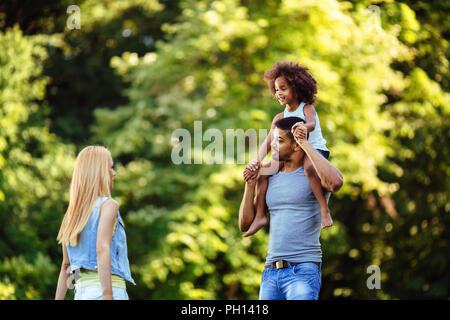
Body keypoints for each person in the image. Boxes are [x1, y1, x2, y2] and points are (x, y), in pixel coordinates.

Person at [239, 117, 343, 300]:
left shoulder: (313, 174)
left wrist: (305, 143)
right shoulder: (270, 176)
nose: (273, 147)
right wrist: (249, 186)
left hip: (302, 270)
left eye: (279, 141)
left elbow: (336, 183)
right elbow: (244, 224)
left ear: (295, 145)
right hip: (270, 271)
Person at [243, 61, 332, 237]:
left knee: (308, 168)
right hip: (289, 154)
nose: (279, 93)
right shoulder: (279, 117)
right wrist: (258, 160)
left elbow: (312, 123)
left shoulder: (306, 108)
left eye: (283, 88)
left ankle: (324, 209)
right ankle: (260, 215)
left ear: (297, 88)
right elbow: (268, 141)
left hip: (312, 150)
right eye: (276, 90)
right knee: (263, 172)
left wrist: (304, 128)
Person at [55, 146, 135, 300]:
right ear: (99, 172)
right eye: (110, 168)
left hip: (81, 293)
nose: (114, 173)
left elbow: (66, 266)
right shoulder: (109, 205)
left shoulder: (71, 215)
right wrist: (107, 295)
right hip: (108, 291)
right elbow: (101, 248)